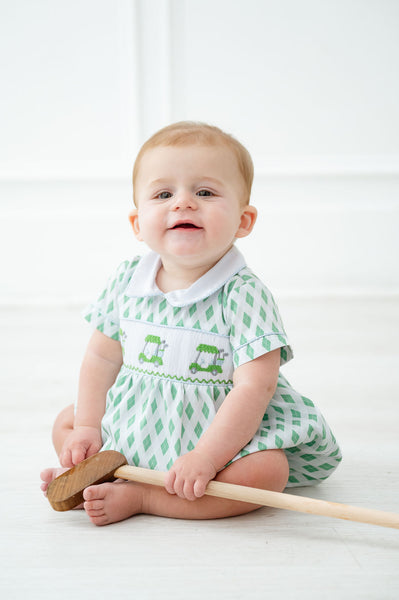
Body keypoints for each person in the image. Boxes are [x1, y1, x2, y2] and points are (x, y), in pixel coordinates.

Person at [41, 121, 342, 526]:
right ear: (137, 223)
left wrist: (207, 456)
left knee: (268, 472)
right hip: (136, 421)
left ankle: (145, 497)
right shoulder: (128, 279)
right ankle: (92, 470)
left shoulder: (243, 293)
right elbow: (100, 357)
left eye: (204, 192)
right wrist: (88, 427)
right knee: (68, 419)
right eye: (163, 194)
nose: (182, 203)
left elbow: (255, 386)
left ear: (243, 221)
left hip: (219, 435)